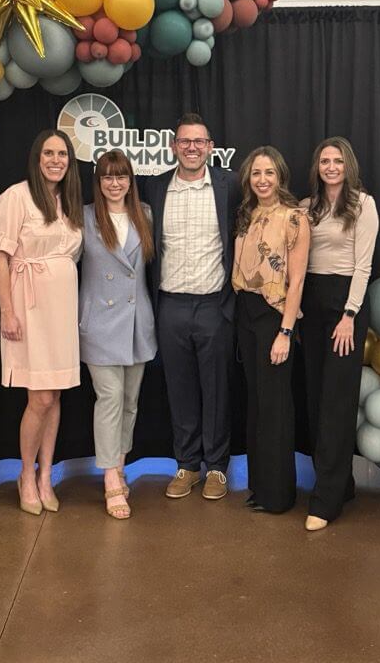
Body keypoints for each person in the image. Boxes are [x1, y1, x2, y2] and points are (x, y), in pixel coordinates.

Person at [144, 112, 241, 500]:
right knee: (179, 388)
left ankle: (216, 468)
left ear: (210, 148)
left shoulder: (230, 185)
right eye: (185, 141)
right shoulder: (154, 187)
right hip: (170, 305)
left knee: (217, 389)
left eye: (199, 141)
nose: (192, 148)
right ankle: (186, 465)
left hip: (215, 305)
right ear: (173, 147)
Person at [0, 129, 83, 516]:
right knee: (39, 397)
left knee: (56, 393)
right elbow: (0, 257)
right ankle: (25, 475)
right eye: (48, 153)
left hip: (61, 310)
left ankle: (47, 475)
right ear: (37, 157)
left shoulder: (69, 202)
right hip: (27, 309)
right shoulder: (16, 196)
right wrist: (7, 311)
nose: (56, 160)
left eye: (62, 153)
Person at [300, 136, 379, 531]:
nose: (330, 167)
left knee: (336, 401)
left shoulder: (363, 205)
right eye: (324, 161)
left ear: (348, 166)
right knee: (316, 399)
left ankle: (326, 501)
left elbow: (363, 266)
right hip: (310, 305)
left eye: (337, 161)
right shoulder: (306, 207)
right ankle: (341, 482)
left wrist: (349, 314)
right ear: (317, 167)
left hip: (344, 307)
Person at [79, 150, 157, 520]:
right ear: (99, 181)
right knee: (108, 398)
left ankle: (120, 464)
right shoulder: (83, 217)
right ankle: (110, 478)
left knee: (129, 401)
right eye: (107, 176)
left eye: (121, 176)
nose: (114, 183)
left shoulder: (146, 215)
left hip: (137, 323)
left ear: (130, 180)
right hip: (100, 324)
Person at [232, 146, 310, 513]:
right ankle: (259, 487)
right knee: (256, 403)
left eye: (269, 173)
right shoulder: (246, 215)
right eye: (256, 173)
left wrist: (285, 332)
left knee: (276, 404)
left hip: (274, 315)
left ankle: (279, 495)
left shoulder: (294, 218)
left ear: (280, 177)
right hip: (245, 312)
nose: (262, 180)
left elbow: (296, 283)